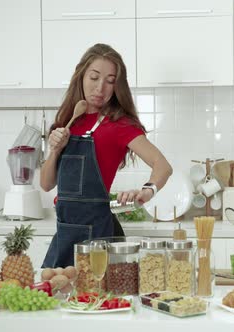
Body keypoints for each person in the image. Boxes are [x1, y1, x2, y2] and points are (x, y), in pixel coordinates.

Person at [40, 43, 173, 268]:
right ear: (81, 76)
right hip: (64, 234)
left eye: (110, 81)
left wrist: (147, 190)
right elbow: (45, 183)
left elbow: (163, 165)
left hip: (99, 238)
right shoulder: (68, 122)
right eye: (94, 77)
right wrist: (54, 149)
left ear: (116, 86)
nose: (100, 88)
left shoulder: (119, 125)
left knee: (98, 299)